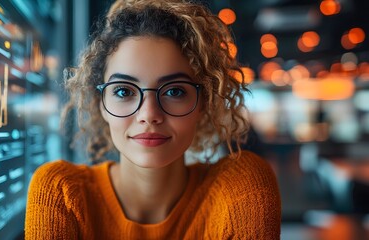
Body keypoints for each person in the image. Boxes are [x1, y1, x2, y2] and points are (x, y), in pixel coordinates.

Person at [25, 0, 281, 239]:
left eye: (174, 91)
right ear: (100, 103)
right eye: (124, 91)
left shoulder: (239, 189)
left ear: (204, 103)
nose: (149, 115)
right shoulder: (61, 192)